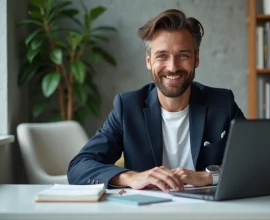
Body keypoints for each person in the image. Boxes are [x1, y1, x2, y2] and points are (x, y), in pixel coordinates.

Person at [67, 9, 245, 192]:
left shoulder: (223, 104)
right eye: (162, 56)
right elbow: (79, 167)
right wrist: (131, 177)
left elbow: (257, 163)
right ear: (148, 61)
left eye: (183, 55)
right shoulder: (127, 107)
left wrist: (208, 176)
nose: (172, 67)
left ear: (196, 59)